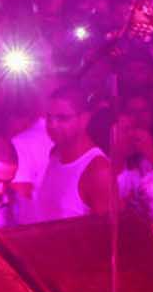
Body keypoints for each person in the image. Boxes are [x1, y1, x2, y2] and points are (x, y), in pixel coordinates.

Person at [30, 87, 115, 221]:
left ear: (84, 119)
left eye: (62, 118)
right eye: (49, 117)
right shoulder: (55, 154)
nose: (52, 125)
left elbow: (106, 230)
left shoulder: (98, 170)